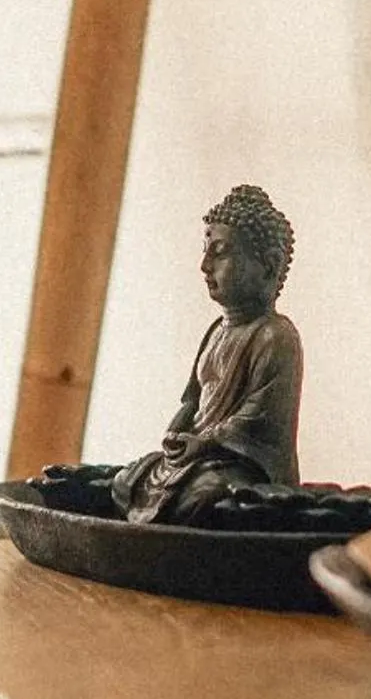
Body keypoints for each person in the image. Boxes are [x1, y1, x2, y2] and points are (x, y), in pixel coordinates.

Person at [112, 185, 302, 525]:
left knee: (206, 497)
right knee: (128, 480)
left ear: (268, 266)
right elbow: (193, 402)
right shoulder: (216, 330)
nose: (205, 265)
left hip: (239, 464)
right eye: (205, 251)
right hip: (196, 457)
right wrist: (175, 434)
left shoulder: (275, 336)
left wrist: (205, 442)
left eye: (221, 252)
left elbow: (259, 419)